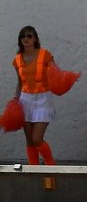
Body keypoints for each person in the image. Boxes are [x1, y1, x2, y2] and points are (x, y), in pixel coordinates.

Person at [11, 26, 57, 165]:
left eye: (29, 36)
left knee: (37, 138)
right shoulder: (17, 60)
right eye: (23, 36)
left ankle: (50, 165)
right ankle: (33, 169)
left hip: (43, 98)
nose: (26, 39)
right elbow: (20, 82)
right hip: (25, 99)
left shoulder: (45, 55)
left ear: (35, 39)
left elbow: (56, 75)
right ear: (20, 40)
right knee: (29, 140)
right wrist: (15, 98)